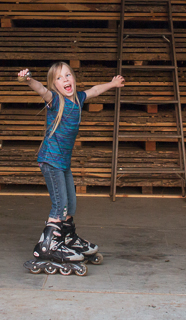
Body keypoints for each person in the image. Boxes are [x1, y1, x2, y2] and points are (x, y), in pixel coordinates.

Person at [18, 63, 125, 274]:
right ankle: (47, 246)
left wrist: (112, 84)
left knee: (70, 205)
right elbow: (40, 89)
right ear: (54, 85)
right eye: (59, 78)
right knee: (60, 205)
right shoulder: (55, 101)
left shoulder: (78, 99)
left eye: (68, 75)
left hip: (63, 163)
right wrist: (28, 79)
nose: (65, 80)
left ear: (74, 78)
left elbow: (94, 90)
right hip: (51, 161)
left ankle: (67, 238)